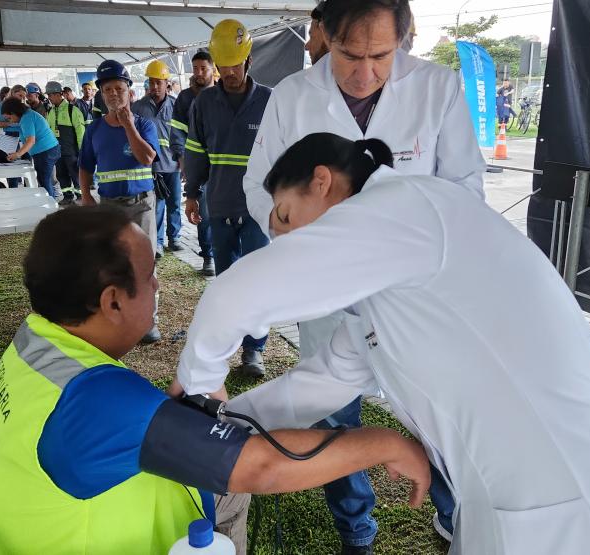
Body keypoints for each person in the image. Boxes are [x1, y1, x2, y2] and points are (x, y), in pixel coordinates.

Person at [174, 133, 590, 555]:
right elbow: (315, 388)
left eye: (284, 218)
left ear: (321, 182)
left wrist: (199, 391)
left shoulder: (406, 207)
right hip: (506, 504)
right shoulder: (382, 289)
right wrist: (219, 424)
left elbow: (233, 294)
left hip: (577, 506)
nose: (284, 243)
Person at [0, 204, 431, 555]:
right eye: (150, 277)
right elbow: (264, 468)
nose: (158, 288)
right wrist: (385, 443)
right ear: (112, 302)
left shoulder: (37, 339)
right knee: (237, 483)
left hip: (30, 532)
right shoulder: (101, 402)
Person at [240, 0, 485, 547]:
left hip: (414, 300)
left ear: (404, 38)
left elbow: (465, 189)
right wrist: (295, 230)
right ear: (324, 34)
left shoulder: (437, 88)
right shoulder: (293, 97)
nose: (365, 72)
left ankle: (453, 517)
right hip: (325, 294)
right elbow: (259, 187)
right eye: (350, 54)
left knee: (437, 416)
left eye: (382, 55)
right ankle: (356, 528)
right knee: (331, 416)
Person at [183, 20, 271, 377]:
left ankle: (254, 351)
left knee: (256, 282)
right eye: (224, 65)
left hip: (258, 209)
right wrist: (190, 194)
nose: (229, 72)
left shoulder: (269, 100)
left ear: (248, 60)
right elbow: (195, 150)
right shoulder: (205, 102)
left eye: (235, 64)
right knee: (227, 281)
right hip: (218, 205)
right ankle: (227, 345)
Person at [78, 59, 162, 344]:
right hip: (109, 208)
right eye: (108, 89)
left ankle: (149, 320)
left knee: (144, 262)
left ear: (130, 91)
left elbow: (147, 158)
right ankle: (118, 317)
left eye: (119, 88)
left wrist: (128, 126)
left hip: (141, 204)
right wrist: (87, 196)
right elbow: (85, 165)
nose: (114, 94)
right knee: (113, 262)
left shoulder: (144, 125)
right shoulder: (94, 130)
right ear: (101, 94)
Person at [170, 51, 216, 276]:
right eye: (195, 69)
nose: (198, 73)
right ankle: (209, 255)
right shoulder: (185, 98)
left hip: (222, 165)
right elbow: (177, 131)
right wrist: (182, 157)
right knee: (203, 212)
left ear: (212, 69)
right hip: (198, 165)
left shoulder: (222, 94)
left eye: (202, 69)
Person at [132, 60, 183, 257]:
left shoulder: (177, 106)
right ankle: (159, 242)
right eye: (151, 82)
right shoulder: (138, 108)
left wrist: (183, 159)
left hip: (174, 164)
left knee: (175, 203)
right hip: (151, 166)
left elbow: (183, 133)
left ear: (166, 83)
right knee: (156, 205)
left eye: (158, 83)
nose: (154, 87)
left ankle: (175, 237)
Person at [0, 97, 61, 198]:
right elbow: (21, 132)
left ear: (14, 112)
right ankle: (51, 202)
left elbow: (31, 141)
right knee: (44, 180)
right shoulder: (26, 116)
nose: (11, 121)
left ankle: (51, 207)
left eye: (9, 118)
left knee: (44, 181)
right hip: (45, 151)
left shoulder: (26, 118)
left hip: (45, 152)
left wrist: (18, 154)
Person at [45, 81, 87, 205]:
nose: (49, 98)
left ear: (59, 94)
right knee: (61, 174)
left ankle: (81, 195)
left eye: (51, 95)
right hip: (57, 151)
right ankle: (67, 195)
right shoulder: (51, 112)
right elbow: (49, 131)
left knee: (75, 173)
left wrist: (82, 150)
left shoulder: (72, 110)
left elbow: (80, 132)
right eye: (48, 95)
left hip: (72, 150)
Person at [0, 85, 25, 188]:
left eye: (23, 96)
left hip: (23, 136)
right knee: (10, 165)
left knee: (25, 164)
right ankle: (13, 189)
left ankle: (27, 187)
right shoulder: (2, 106)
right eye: (20, 95)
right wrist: (14, 123)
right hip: (10, 137)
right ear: (12, 93)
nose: (21, 98)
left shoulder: (20, 105)